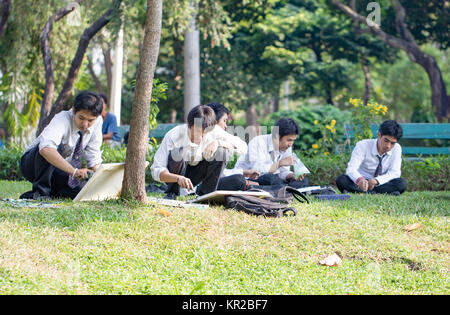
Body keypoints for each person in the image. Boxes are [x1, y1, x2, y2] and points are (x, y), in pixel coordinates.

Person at [19, 91, 104, 200]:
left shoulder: (97, 122)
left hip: (59, 168)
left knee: (79, 191)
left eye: (90, 120)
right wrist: (74, 171)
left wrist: (100, 176)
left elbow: (93, 157)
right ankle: (40, 192)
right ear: (74, 110)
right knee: (52, 148)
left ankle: (35, 195)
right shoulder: (62, 119)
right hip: (32, 164)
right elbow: (45, 149)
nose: (85, 124)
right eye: (81, 118)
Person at [150, 105, 247, 198]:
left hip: (197, 175)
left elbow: (243, 147)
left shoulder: (215, 131)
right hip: (174, 177)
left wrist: (218, 142)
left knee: (221, 152)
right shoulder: (174, 135)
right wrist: (177, 178)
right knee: (178, 153)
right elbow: (156, 169)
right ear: (189, 125)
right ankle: (172, 193)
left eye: (204, 133)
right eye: (197, 131)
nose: (201, 137)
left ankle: (206, 195)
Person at [336, 120, 407, 196]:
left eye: (392, 143)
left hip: (380, 183)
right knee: (341, 180)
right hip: (361, 182)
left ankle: (366, 192)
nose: (388, 146)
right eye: (386, 140)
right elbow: (351, 169)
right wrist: (359, 179)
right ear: (379, 135)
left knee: (401, 184)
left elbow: (395, 173)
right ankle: (380, 193)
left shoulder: (396, 148)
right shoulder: (363, 145)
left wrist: (376, 181)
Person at [234, 118, 309, 189]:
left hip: (273, 180)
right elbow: (258, 171)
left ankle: (283, 190)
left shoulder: (287, 147)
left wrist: (292, 176)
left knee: (303, 181)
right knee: (270, 178)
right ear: (277, 136)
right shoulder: (258, 142)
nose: (291, 144)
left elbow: (283, 173)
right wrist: (279, 163)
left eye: (293, 140)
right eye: (289, 140)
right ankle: (284, 190)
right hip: (249, 180)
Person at [205, 102, 259, 191]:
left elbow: (243, 147)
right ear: (213, 120)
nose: (226, 126)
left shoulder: (218, 137)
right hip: (198, 185)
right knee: (238, 180)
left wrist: (244, 172)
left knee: (240, 179)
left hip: (210, 183)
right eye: (224, 121)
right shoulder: (204, 134)